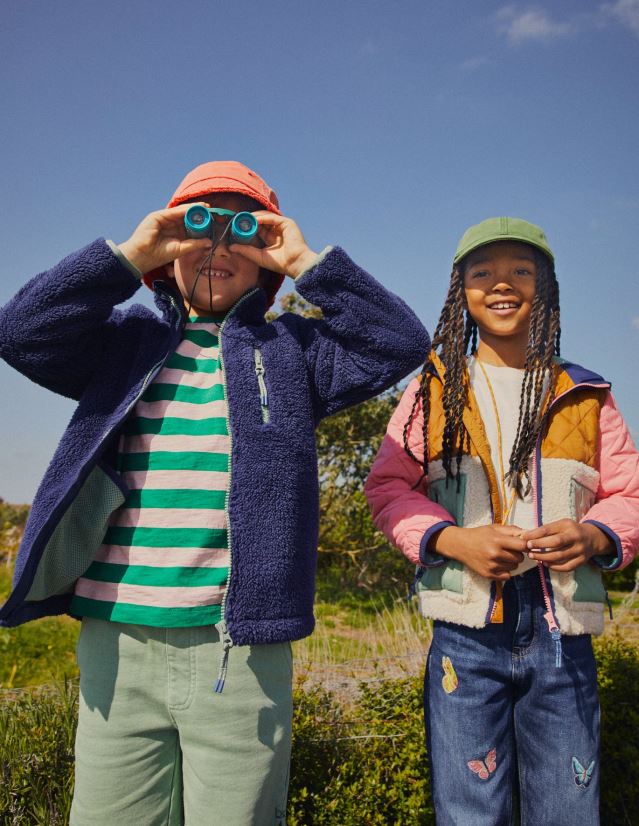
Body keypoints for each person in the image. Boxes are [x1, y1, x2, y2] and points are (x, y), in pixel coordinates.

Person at [0, 160, 430, 825]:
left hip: (242, 648)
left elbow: (396, 342)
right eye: (197, 225)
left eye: (243, 231)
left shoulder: (293, 351)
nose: (218, 246)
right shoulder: (123, 346)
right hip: (117, 641)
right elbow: (21, 330)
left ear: (266, 260)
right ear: (166, 252)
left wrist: (306, 260)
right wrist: (128, 255)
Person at [365, 216, 639, 825]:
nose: (502, 283)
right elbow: (388, 487)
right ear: (459, 291)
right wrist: (454, 539)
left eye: (522, 270)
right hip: (466, 631)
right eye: (482, 272)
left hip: (564, 632)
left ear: (547, 287)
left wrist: (595, 534)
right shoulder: (433, 389)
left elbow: (630, 495)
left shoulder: (587, 392)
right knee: (469, 812)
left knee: (569, 808)